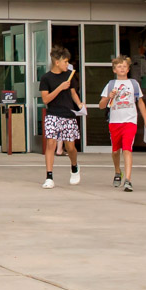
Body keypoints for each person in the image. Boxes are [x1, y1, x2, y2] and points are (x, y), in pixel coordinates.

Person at [98, 56, 146, 191]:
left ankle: (128, 179)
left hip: (130, 120)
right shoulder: (110, 85)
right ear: (114, 69)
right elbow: (101, 106)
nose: (122, 68)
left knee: (127, 149)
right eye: (119, 66)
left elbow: (140, 102)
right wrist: (109, 97)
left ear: (128, 69)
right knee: (116, 151)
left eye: (124, 66)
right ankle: (117, 171)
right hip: (115, 121)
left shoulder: (134, 84)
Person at [37, 46, 83, 190]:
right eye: (65, 61)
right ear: (57, 62)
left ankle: (74, 166)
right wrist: (59, 88)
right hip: (52, 114)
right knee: (50, 144)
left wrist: (80, 104)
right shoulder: (46, 78)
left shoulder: (70, 75)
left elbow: (73, 93)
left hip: (68, 114)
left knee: (70, 147)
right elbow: (46, 99)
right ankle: (49, 176)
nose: (67, 64)